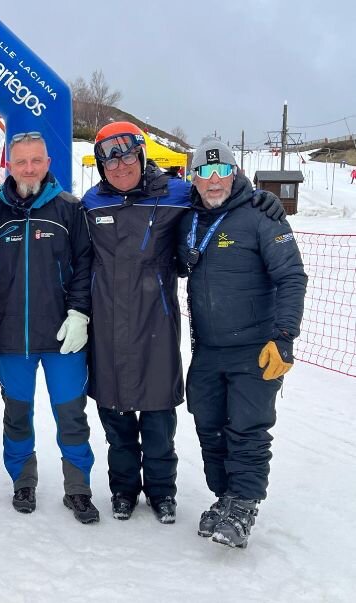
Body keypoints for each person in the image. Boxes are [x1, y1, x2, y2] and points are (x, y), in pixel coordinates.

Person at [81, 122, 286, 525]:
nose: (120, 166)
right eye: (110, 160)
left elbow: (219, 197)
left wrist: (258, 198)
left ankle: (162, 492)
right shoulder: (91, 203)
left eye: (127, 155)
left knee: (159, 416)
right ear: (101, 166)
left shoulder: (176, 194)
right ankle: (123, 489)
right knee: (115, 415)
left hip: (155, 324)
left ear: (141, 155)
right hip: (107, 326)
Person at [177, 138, 306, 548]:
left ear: (235, 173)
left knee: (248, 428)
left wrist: (283, 337)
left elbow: (292, 277)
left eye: (222, 171)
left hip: (256, 347)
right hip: (208, 348)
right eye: (205, 171)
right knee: (208, 425)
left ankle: (244, 505)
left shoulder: (261, 216)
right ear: (193, 178)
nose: (214, 180)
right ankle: (226, 497)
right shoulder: (188, 218)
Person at [0, 132, 99, 524]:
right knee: (17, 415)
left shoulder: (70, 209)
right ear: (9, 166)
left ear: (48, 163)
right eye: (21, 162)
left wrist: (79, 313)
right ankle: (23, 481)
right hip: (11, 338)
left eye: (36, 161)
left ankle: (78, 487)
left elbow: (85, 266)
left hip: (63, 337)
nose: (28, 168)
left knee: (71, 414)